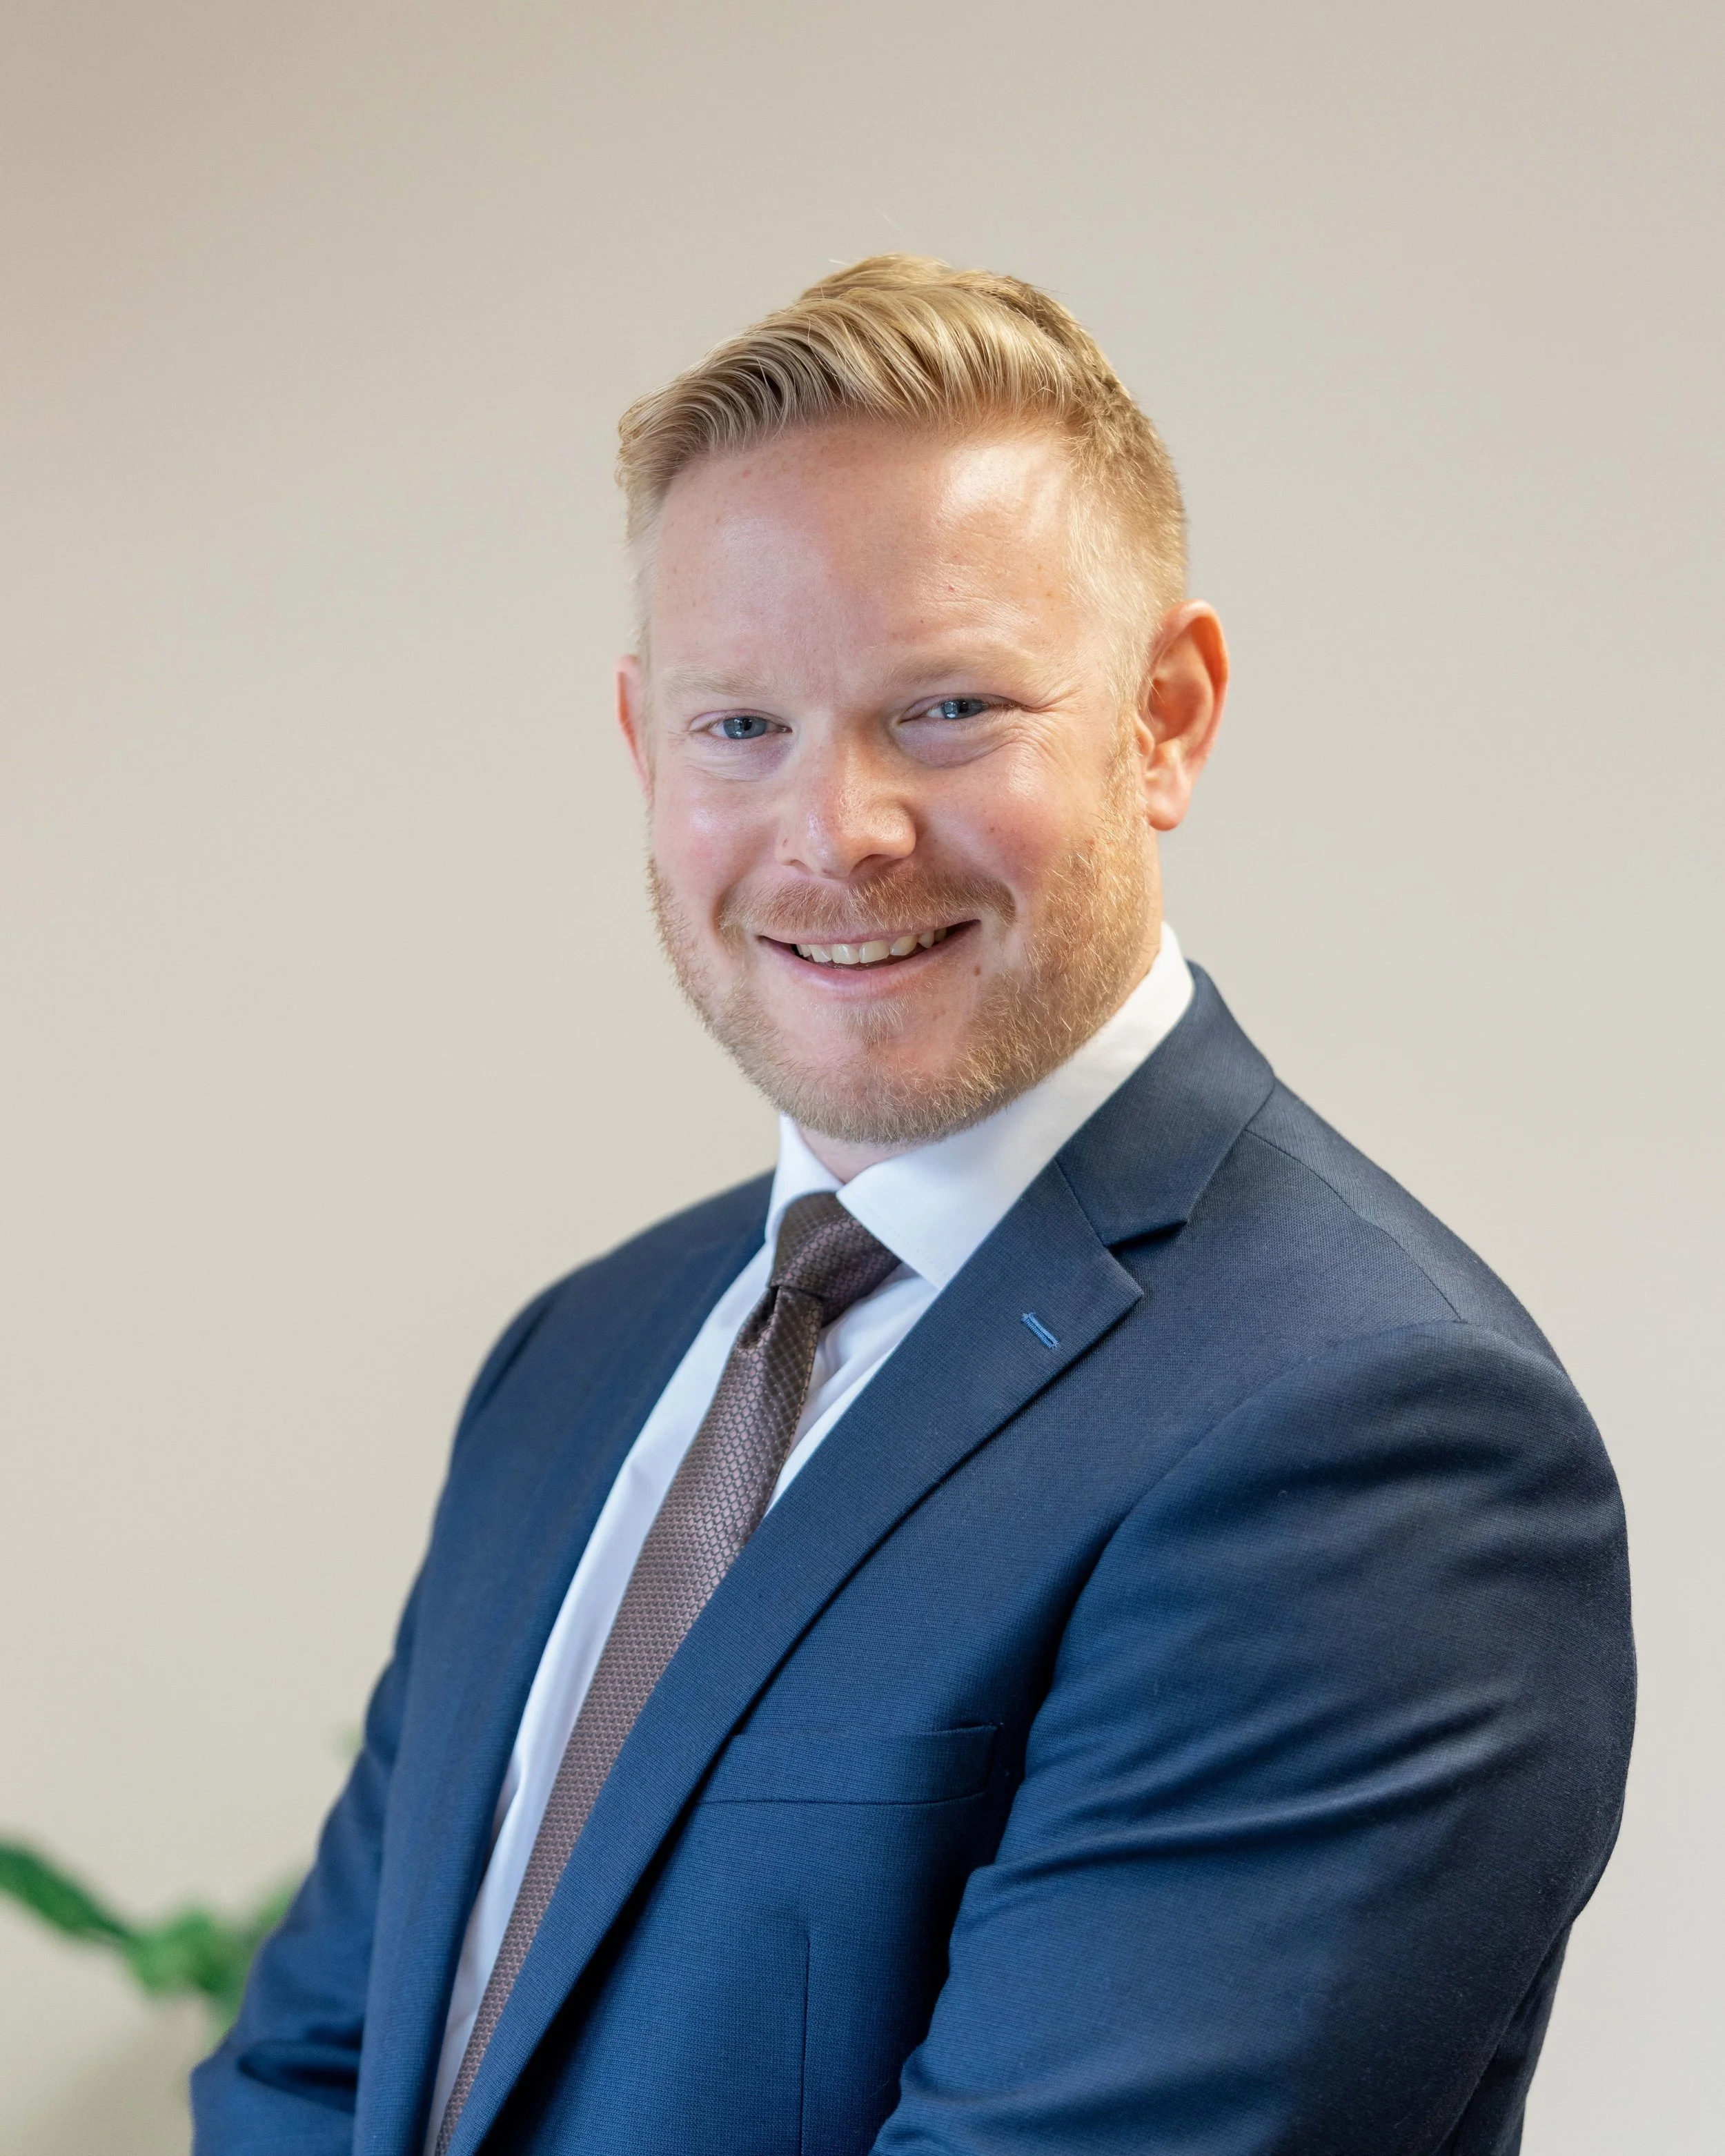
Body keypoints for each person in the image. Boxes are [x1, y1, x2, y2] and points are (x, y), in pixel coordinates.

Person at [191, 257, 1634, 2156]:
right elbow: (309, 2076)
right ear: (642, 742)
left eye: (945, 708)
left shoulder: (1374, 1440)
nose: (835, 830)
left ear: (1167, 716)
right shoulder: (578, 1356)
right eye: (741, 729)